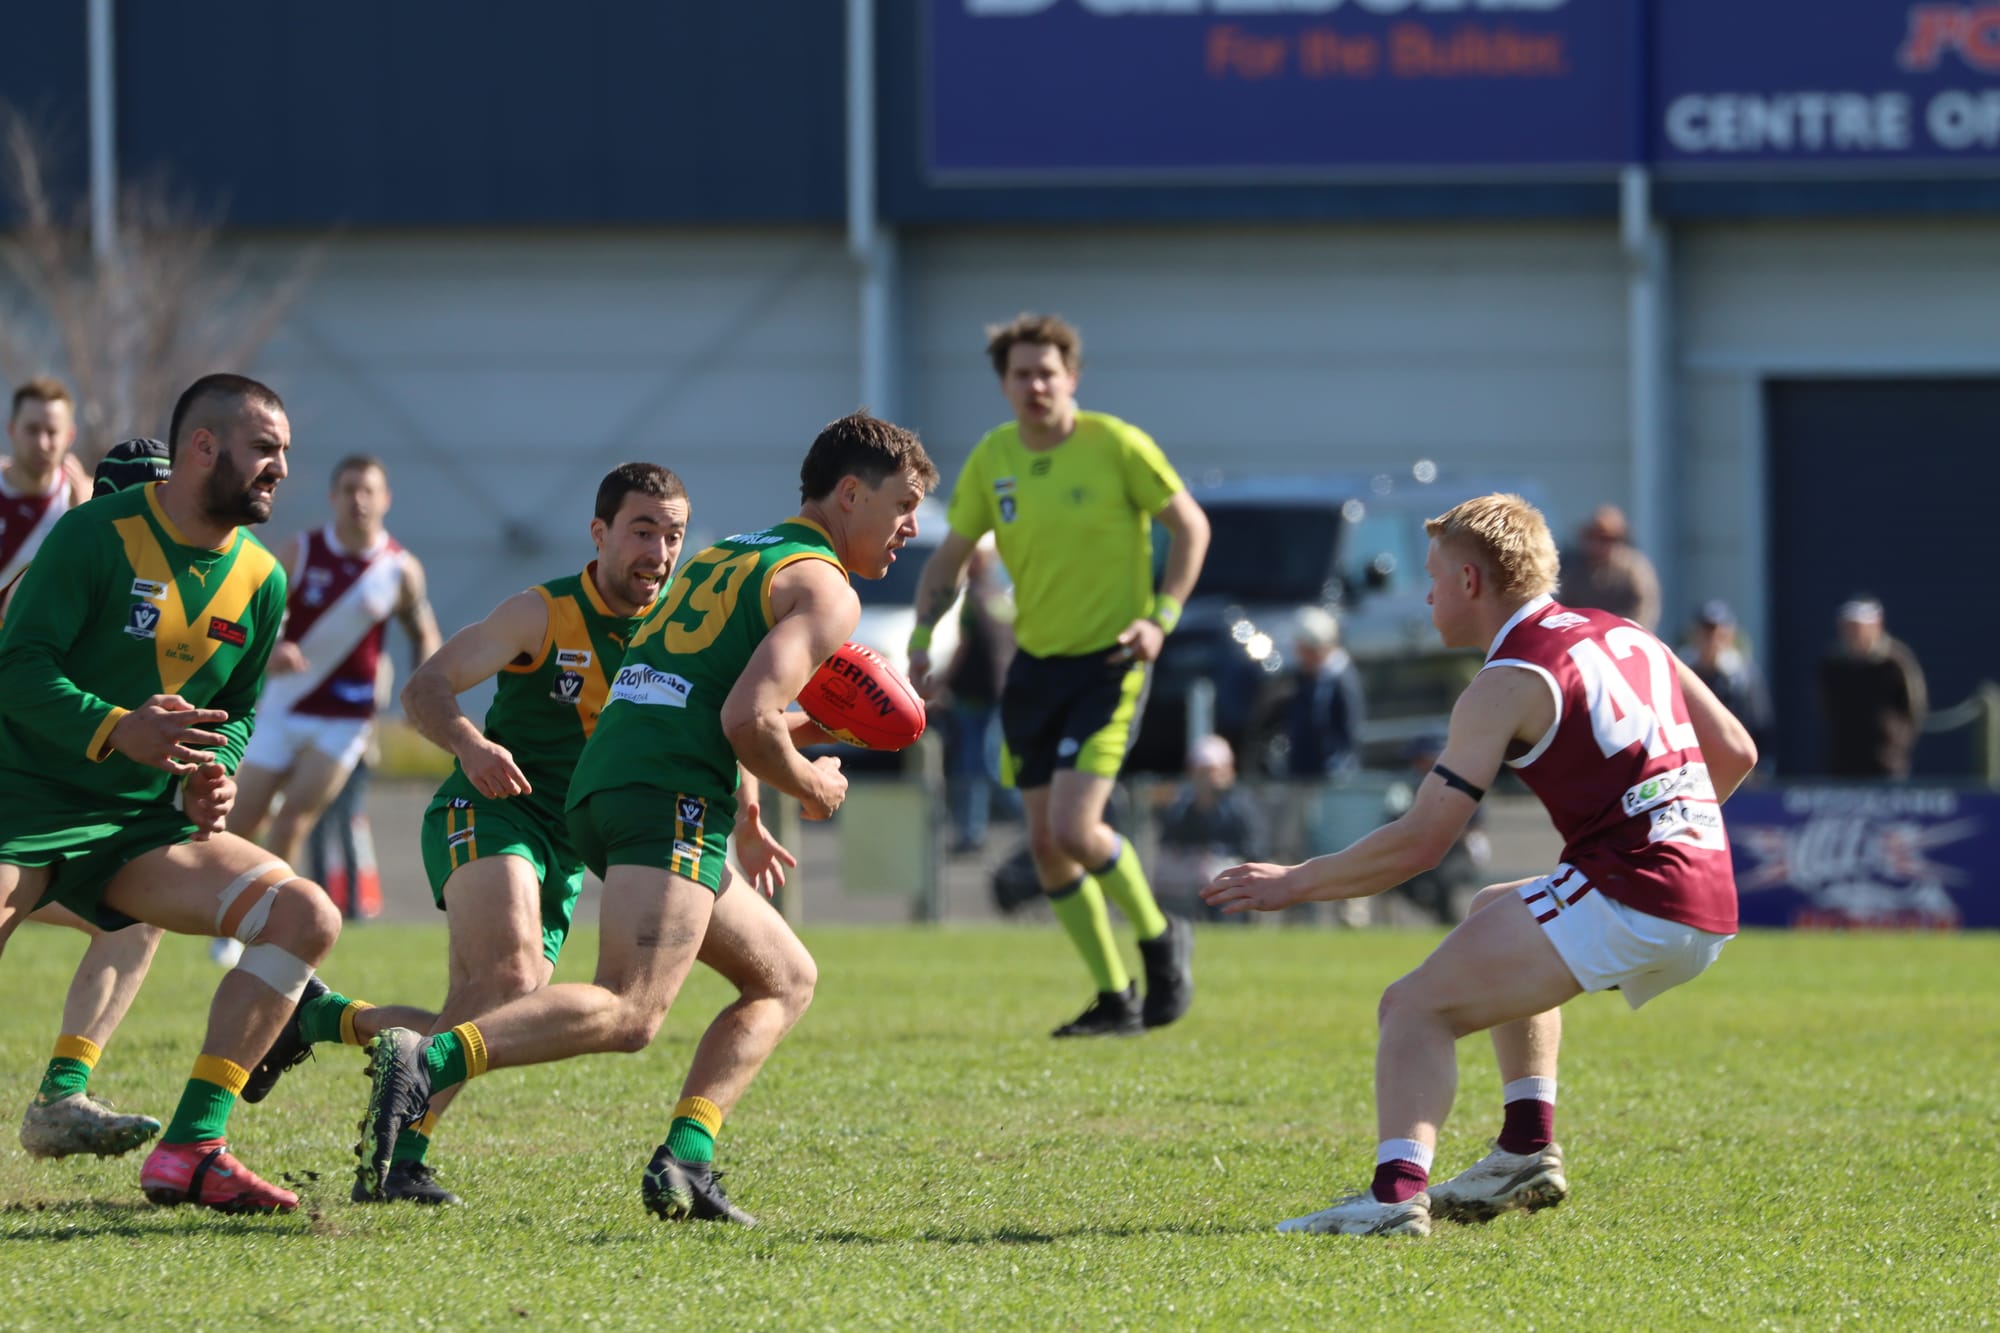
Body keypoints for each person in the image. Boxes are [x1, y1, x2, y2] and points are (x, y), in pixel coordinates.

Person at [352, 412, 937, 1224]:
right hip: (667, 792)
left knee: (785, 978)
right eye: (902, 504)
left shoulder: (730, 555)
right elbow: (745, 720)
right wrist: (812, 782)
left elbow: (704, 695)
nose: (910, 526)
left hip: (618, 782)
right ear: (848, 494)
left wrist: (790, 759)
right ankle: (430, 1056)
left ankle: (686, 1161)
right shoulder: (826, 589)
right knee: (629, 1009)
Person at [1203, 492, 1758, 1238]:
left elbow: (1420, 842)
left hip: (1640, 891)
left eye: (1434, 576)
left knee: (1412, 1008)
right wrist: (1655, 834)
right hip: (1707, 894)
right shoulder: (1626, 632)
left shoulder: (1505, 681)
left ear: (1470, 581)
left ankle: (1394, 1198)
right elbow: (1736, 751)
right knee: (1496, 905)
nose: (1427, 595)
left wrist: (1293, 881)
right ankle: (1525, 1149)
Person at [246, 462, 691, 1205]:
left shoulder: (676, 631)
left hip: (568, 845)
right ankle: (397, 1158)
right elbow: (425, 686)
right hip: (489, 810)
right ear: (600, 533)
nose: (659, 552)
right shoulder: (541, 612)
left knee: (493, 1017)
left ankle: (328, 1020)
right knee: (510, 982)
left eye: (672, 536)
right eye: (643, 532)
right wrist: (471, 744)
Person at [0, 374, 349, 1214]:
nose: (280, 469)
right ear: (202, 447)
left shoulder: (261, 578)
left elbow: (236, 713)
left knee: (306, 914)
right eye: (264, 449)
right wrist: (117, 726)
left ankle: (192, 1147)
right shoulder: (92, 533)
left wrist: (211, 772)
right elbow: (16, 666)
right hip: (21, 805)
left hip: (135, 827)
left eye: (284, 453)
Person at [908, 313, 1210, 1038]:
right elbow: (950, 558)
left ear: (1072, 377)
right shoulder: (995, 457)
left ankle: (1161, 935)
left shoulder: (1116, 445)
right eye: (1022, 374)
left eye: (1048, 372)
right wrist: (922, 637)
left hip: (1111, 663)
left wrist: (1160, 619)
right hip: (1034, 669)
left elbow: (1191, 527)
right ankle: (1115, 996)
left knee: (1076, 827)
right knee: (1046, 845)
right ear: (1004, 385)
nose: (1036, 385)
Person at [7, 440, 173, 1163]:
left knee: (134, 917)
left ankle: (61, 1097)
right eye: (145, 505)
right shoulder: (58, 572)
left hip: (63, 816)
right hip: (16, 801)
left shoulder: (168, 590)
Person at [229, 455, 441, 891]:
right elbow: (249, 614)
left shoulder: (400, 569)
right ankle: (215, 904)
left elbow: (423, 633)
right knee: (239, 822)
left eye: (368, 491)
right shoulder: (301, 551)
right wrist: (273, 648)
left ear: (385, 499)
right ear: (333, 497)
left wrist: (423, 694)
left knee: (293, 820)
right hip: (283, 706)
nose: (358, 500)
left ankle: (268, 910)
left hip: (346, 720)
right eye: (349, 490)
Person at [941, 543, 1014, 856]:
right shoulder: (1001, 596)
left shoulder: (974, 599)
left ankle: (973, 832)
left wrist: (943, 682)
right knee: (990, 762)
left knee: (974, 765)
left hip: (974, 694)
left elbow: (964, 646)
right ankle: (1023, 821)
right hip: (999, 690)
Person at [1153, 734, 1265, 923]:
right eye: (1202, 772)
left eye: (1214, 771)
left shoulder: (1242, 807)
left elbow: (1255, 850)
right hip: (1186, 881)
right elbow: (1168, 845)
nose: (1208, 778)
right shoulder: (1180, 807)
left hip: (1228, 876)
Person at [1818, 595, 1927, 779]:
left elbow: (1914, 708)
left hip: (1886, 763)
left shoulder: (1895, 663)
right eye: (1848, 627)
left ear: (1875, 626)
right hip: (1841, 763)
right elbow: (1826, 707)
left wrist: (1896, 745)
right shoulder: (1832, 666)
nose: (1852, 633)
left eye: (1858, 627)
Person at [1, 378, 91, 587]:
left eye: (52, 432)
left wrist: (86, 519)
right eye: (32, 430)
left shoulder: (87, 499)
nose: (42, 444)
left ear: (69, 436)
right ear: (12, 429)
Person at [1682, 600, 1772, 762]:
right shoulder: (1682, 674)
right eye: (1706, 634)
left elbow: (1760, 725)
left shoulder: (1744, 678)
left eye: (1718, 635)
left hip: (1733, 763)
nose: (1712, 641)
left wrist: (1761, 764)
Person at [1282, 606, 1366, 779]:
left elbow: (1349, 732)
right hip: (1304, 773)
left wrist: (1338, 771)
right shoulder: (1305, 677)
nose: (1299, 656)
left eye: (1304, 650)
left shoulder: (1342, 680)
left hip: (1331, 775)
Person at [1564, 504, 1660, 632]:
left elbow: (1645, 607)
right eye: (1594, 537)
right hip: (1585, 634)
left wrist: (1630, 631)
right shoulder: (1575, 567)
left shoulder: (1634, 568)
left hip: (1623, 634)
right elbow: (1566, 605)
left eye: (1606, 539)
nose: (1599, 545)